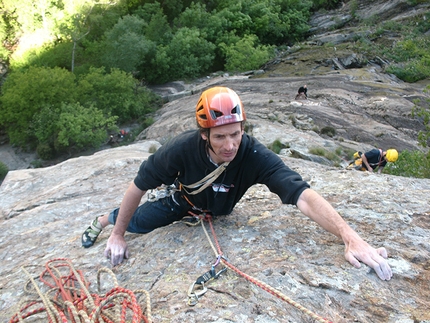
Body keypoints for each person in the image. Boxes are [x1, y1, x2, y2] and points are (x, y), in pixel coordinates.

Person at [81, 86, 392, 281]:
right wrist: (119, 234)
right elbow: (138, 186)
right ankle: (102, 220)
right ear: (204, 134)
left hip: (217, 210)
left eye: (236, 133)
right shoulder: (179, 150)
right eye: (220, 136)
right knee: (139, 223)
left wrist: (349, 236)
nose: (230, 145)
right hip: (185, 202)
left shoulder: (253, 154)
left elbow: (303, 195)